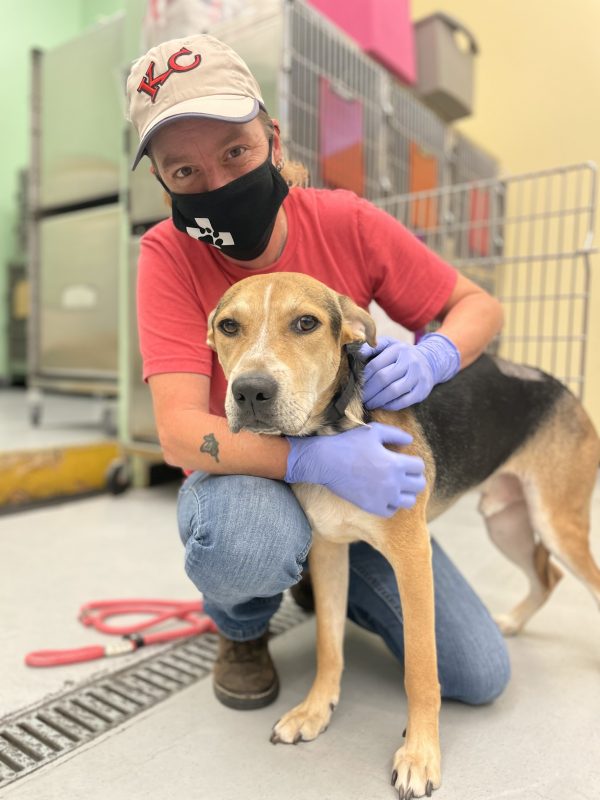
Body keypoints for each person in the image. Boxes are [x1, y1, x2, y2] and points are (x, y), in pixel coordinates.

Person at [126, 34, 509, 712]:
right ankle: (243, 625)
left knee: (478, 673)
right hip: (250, 477)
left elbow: (476, 306)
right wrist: (311, 462)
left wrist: (434, 355)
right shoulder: (167, 254)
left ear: (273, 140)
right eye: (183, 172)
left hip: (358, 472)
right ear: (161, 182)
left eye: (235, 152)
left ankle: (319, 572)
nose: (215, 182)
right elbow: (182, 434)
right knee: (246, 539)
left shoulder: (347, 220)